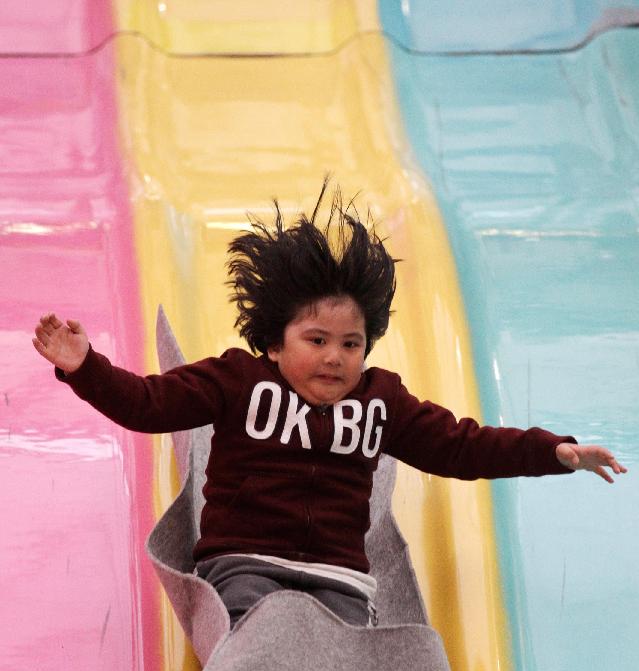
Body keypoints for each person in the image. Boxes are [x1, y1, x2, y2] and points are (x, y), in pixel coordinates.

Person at [32, 185, 627, 629]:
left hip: (338, 578)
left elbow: (459, 445)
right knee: (254, 623)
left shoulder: (380, 400)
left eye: (351, 345)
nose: (335, 358)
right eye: (316, 341)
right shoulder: (237, 379)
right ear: (274, 341)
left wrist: (553, 452)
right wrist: (85, 367)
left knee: (349, 643)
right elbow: (148, 404)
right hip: (243, 566)